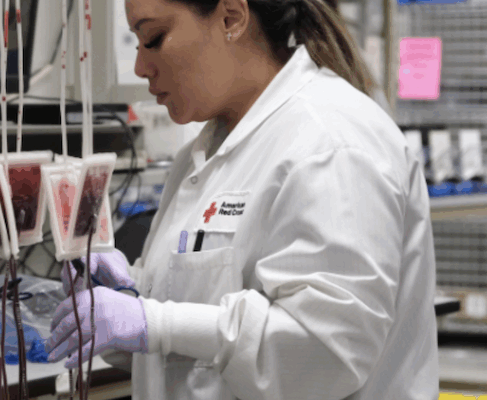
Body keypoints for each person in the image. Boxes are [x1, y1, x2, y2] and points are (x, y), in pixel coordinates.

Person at [46, 0, 439, 398]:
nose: (140, 67)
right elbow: (188, 354)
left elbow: (326, 356)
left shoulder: (332, 144)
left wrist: (155, 322)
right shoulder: (205, 154)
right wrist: (129, 298)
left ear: (231, 18)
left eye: (154, 38)